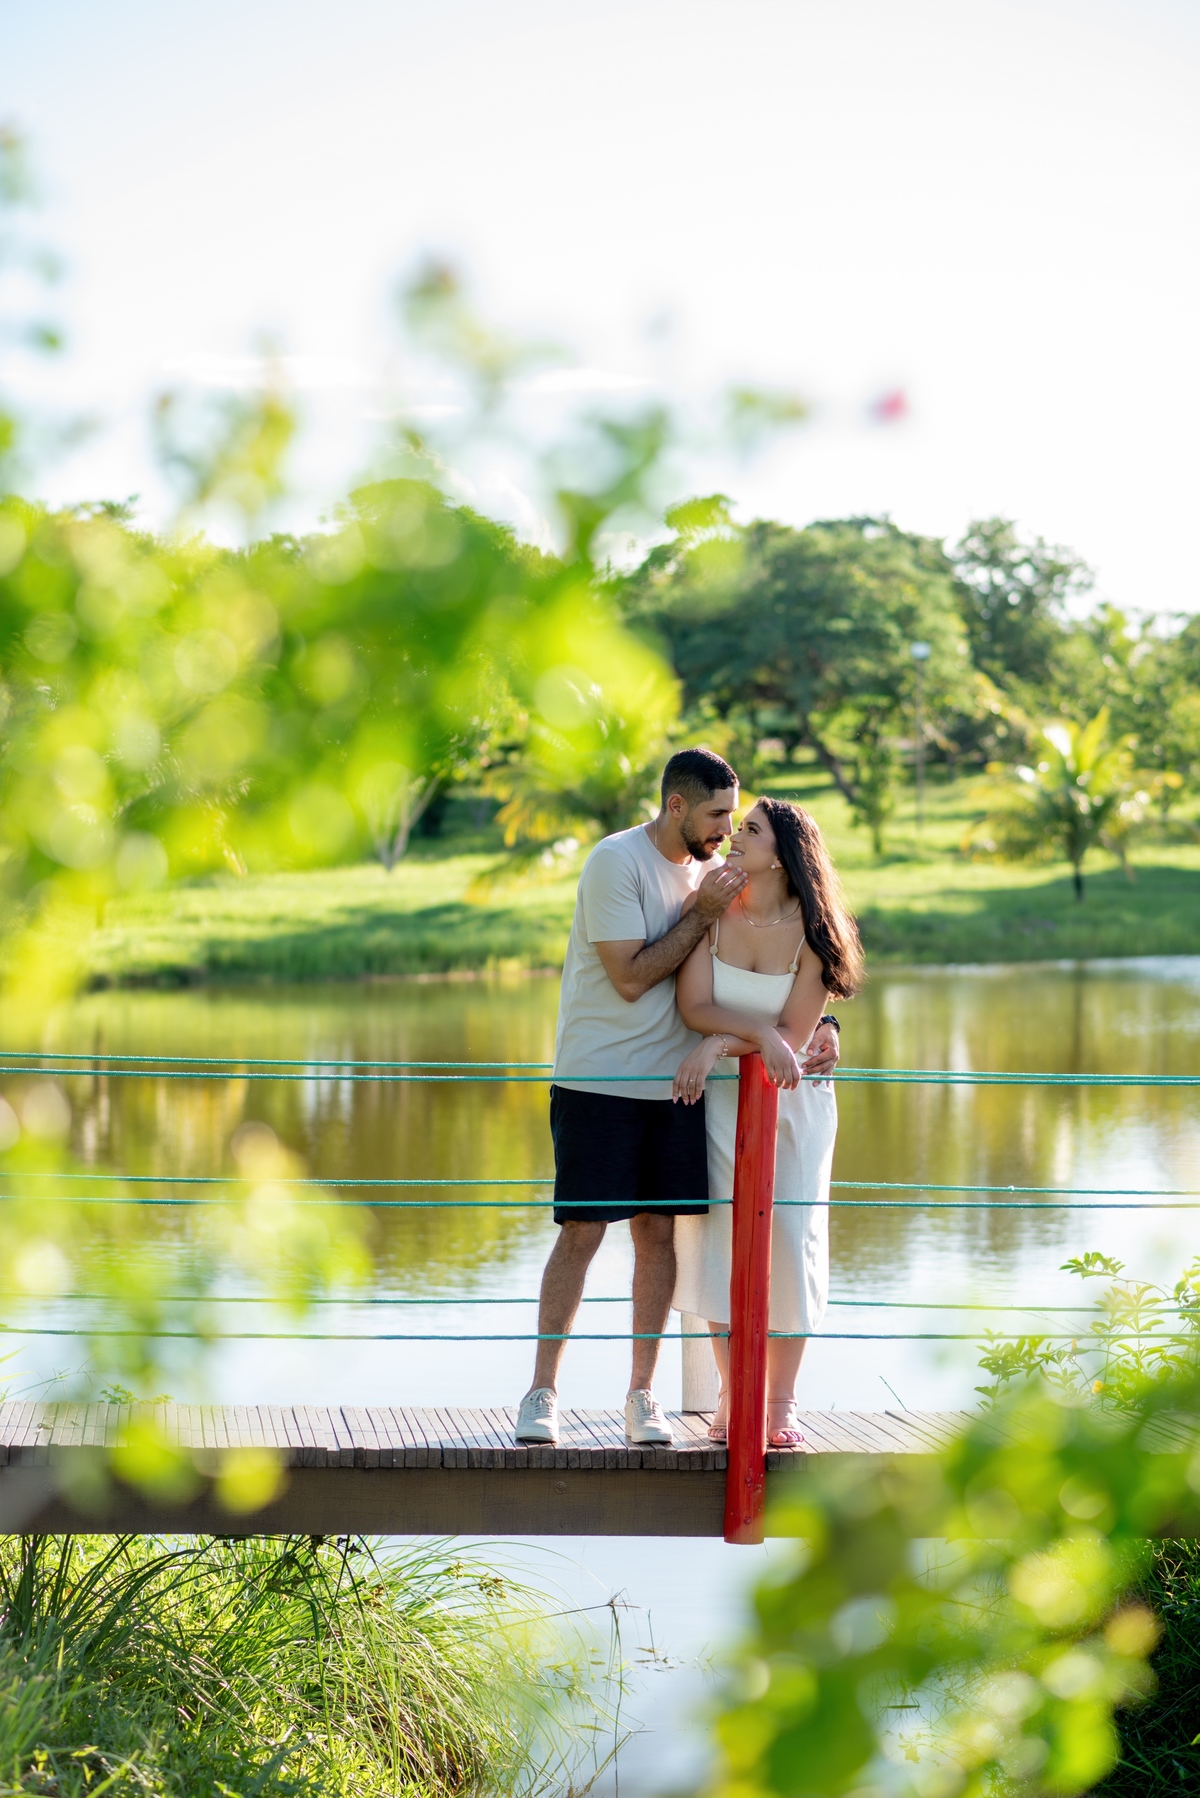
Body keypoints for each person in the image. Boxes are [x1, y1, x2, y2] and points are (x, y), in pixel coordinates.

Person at [514, 754, 841, 1446]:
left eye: (737, 819)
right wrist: (702, 916)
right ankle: (542, 1391)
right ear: (677, 807)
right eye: (719, 815)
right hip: (599, 1079)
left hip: (677, 1090)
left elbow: (793, 952)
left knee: (659, 1236)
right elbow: (632, 978)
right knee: (582, 1233)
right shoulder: (617, 863)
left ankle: (643, 1395)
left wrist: (827, 1027)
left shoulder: (714, 870)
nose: (728, 830)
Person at [670, 797, 863, 1447]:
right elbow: (696, 1006)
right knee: (719, 1243)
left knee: (790, 1237)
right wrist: (738, 1040)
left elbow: (796, 1036)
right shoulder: (711, 911)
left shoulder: (817, 931)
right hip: (721, 1103)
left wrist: (722, 1044)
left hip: (795, 1103)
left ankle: (780, 1402)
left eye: (750, 830)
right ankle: (733, 1393)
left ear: (782, 854)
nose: (735, 836)